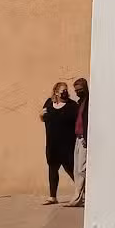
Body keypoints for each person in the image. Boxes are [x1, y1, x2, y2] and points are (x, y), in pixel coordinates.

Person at [40, 81, 78, 204]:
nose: (66, 93)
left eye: (67, 90)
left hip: (67, 144)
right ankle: (52, 196)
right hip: (52, 144)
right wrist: (40, 115)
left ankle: (83, 192)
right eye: (63, 91)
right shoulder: (49, 103)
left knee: (71, 170)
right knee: (52, 168)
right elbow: (43, 117)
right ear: (56, 92)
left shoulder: (72, 106)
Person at [65, 77, 89, 207]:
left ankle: (77, 198)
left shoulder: (89, 102)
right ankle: (79, 196)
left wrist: (87, 137)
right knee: (77, 169)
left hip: (85, 138)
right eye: (76, 90)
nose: (77, 92)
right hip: (78, 138)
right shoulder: (80, 102)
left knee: (81, 169)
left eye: (80, 89)